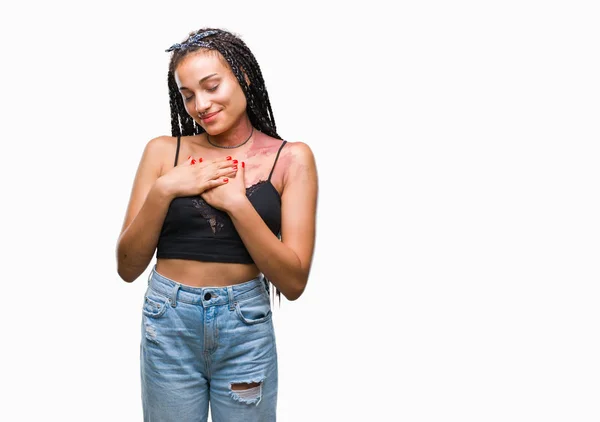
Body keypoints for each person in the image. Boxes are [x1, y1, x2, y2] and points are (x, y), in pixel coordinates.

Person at [115, 27, 318, 421]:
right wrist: (164, 189)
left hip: (245, 326)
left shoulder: (291, 159)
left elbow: (293, 282)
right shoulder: (163, 152)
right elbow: (127, 267)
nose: (200, 105)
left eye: (211, 86)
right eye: (187, 95)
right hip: (168, 320)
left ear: (242, 75)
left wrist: (237, 205)